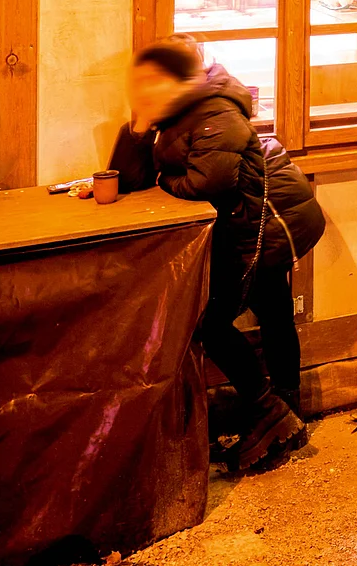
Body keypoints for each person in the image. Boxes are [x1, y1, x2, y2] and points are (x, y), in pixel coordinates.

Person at [112, 39, 304, 473]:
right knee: (270, 312)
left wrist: (164, 182)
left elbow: (209, 182)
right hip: (234, 231)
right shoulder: (173, 113)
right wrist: (139, 126)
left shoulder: (217, 111)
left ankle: (274, 413)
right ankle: (281, 417)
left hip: (251, 231)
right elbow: (128, 178)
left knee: (217, 324)